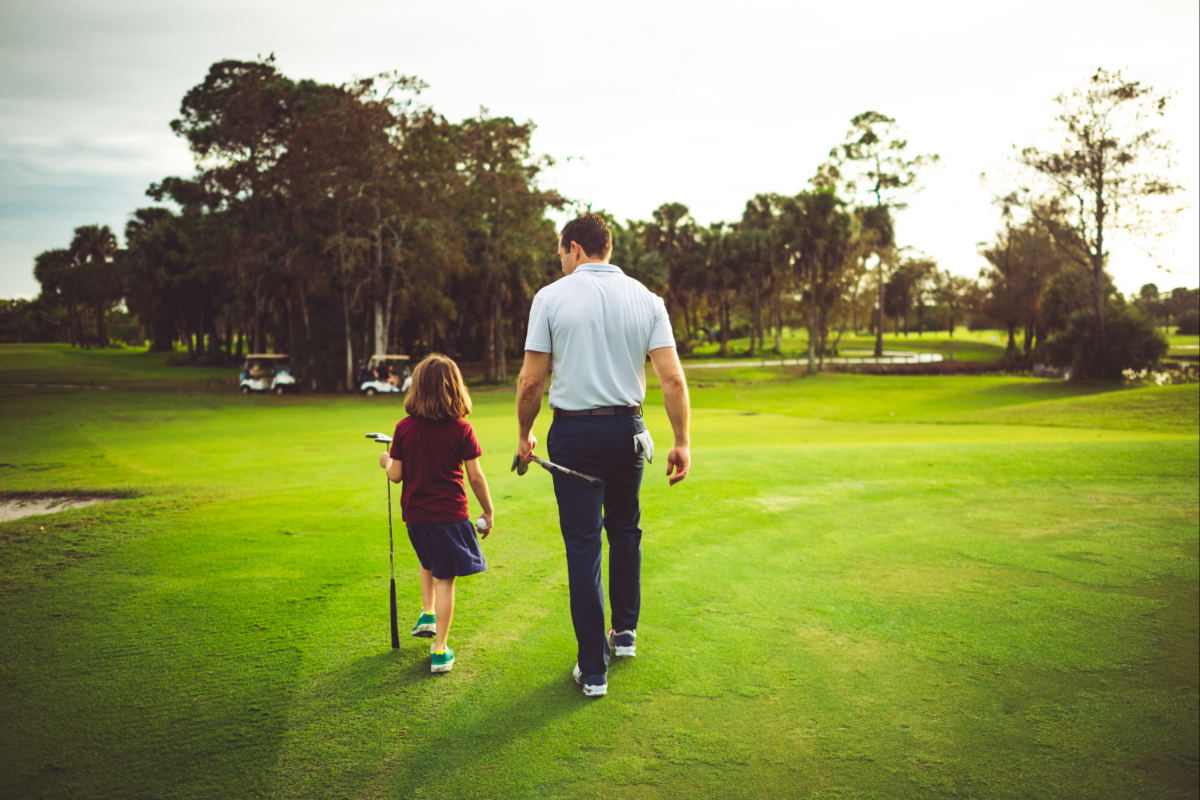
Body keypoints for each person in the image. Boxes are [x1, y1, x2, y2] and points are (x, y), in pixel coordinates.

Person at [516, 213, 691, 698]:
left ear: (574, 247)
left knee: (584, 546)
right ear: (606, 247)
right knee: (625, 528)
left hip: (573, 433)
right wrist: (682, 441)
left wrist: (524, 434)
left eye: (560, 254)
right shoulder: (648, 298)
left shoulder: (550, 297)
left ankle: (594, 670)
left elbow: (532, 380)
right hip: (629, 432)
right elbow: (672, 378)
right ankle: (626, 633)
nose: (561, 261)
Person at [379, 354, 495, 674]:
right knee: (445, 579)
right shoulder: (462, 429)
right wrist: (488, 508)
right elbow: (475, 477)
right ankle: (440, 650)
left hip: (416, 518)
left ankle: (428, 613)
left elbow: (396, 475)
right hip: (449, 516)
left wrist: (386, 460)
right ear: (454, 388)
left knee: (428, 561)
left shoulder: (403, 428)